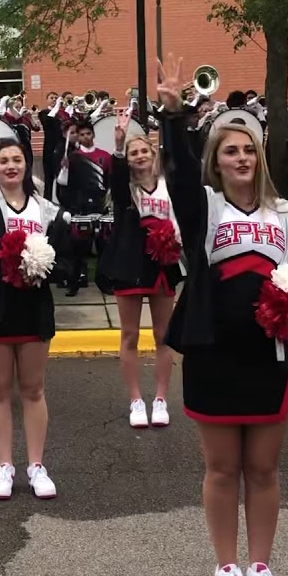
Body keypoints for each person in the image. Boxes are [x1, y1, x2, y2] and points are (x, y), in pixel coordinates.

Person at [158, 56, 288, 576]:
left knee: (262, 468)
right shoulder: (203, 206)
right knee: (221, 467)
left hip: (268, 356)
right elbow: (180, 174)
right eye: (229, 150)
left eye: (248, 149)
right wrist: (172, 115)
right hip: (213, 352)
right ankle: (225, 568)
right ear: (216, 159)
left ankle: (261, 567)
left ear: (261, 157)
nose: (240, 157)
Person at [0, 104, 73, 500]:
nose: (10, 166)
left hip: (33, 307)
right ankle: (4, 465)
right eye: (3, 160)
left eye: (17, 159)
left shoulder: (45, 209)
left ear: (27, 165)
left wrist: (42, 266)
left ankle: (36, 465)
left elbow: (60, 258)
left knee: (34, 389)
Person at [99, 111, 181, 428]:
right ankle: (136, 400)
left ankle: (160, 399)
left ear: (152, 154)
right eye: (134, 153)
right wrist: (119, 145)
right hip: (130, 264)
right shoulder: (125, 191)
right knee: (130, 334)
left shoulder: (166, 186)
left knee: (163, 335)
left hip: (164, 264)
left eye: (143, 151)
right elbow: (117, 179)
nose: (139, 156)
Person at [57, 119, 112, 297]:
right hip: (80, 208)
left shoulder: (106, 156)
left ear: (93, 135)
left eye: (88, 133)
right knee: (78, 248)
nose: (86, 137)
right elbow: (63, 184)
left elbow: (109, 181)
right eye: (81, 134)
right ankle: (74, 283)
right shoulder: (72, 158)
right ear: (78, 138)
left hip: (100, 205)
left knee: (104, 246)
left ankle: (103, 281)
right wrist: (64, 169)